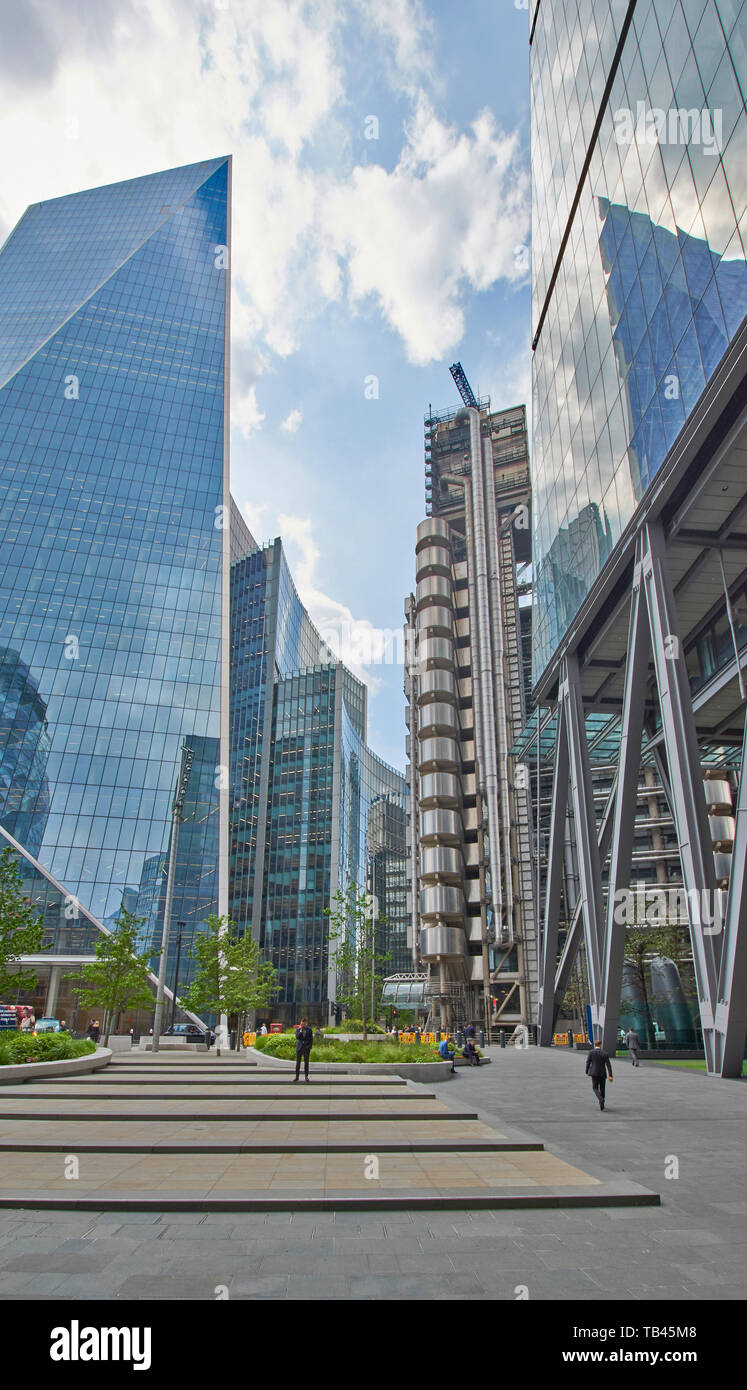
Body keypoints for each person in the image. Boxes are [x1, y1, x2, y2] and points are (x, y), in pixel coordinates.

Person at [586, 1038, 613, 1109]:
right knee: (602, 1088)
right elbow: (608, 1065)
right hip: (602, 1073)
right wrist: (610, 1075)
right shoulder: (605, 1053)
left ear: (595, 1045)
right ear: (600, 1045)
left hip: (594, 1072)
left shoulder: (591, 1052)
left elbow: (588, 1062)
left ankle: (600, 1099)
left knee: (594, 1087)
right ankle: (602, 1104)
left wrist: (586, 1071)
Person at [294, 1017, 314, 1082]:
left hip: (306, 1048)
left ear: (306, 1024)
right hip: (299, 1048)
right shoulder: (298, 1029)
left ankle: (306, 1077)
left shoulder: (309, 1030)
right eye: (301, 1024)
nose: (303, 1025)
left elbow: (311, 1040)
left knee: (306, 1063)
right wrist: (300, 1031)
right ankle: (297, 1077)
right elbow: (297, 1037)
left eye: (304, 1024)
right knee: (298, 1063)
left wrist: (309, 1047)